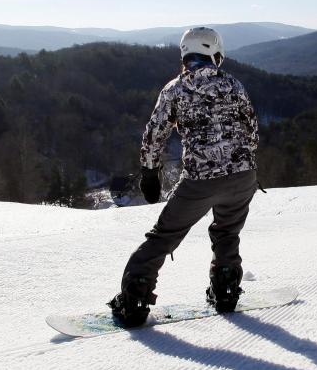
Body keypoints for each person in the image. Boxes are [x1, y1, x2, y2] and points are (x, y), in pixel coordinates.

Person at [109, 26, 260, 326]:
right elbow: (252, 130)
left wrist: (150, 172)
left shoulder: (175, 89)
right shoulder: (234, 84)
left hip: (200, 181)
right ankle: (226, 291)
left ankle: (134, 300)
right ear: (215, 53)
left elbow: (154, 135)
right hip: (243, 177)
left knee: (164, 236)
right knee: (227, 233)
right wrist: (242, 162)